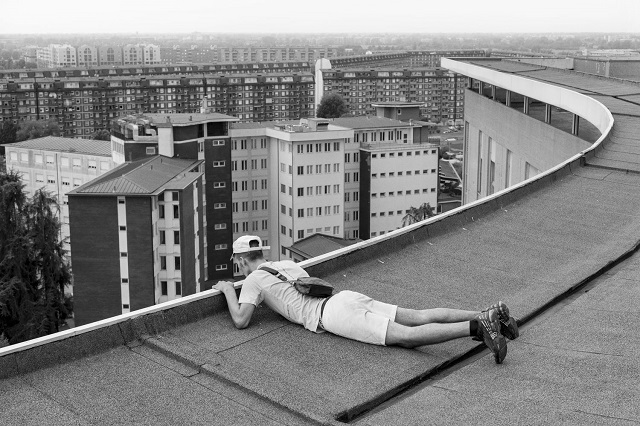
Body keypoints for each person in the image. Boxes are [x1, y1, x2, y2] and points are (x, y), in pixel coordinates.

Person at [213, 235, 519, 364]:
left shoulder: (253, 279)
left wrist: (229, 289)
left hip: (331, 314)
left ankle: (477, 327)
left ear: (240, 260)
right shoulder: (285, 264)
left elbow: (241, 321)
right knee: (418, 315)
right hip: (344, 296)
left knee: (407, 338)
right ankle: (487, 313)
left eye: (235, 261)